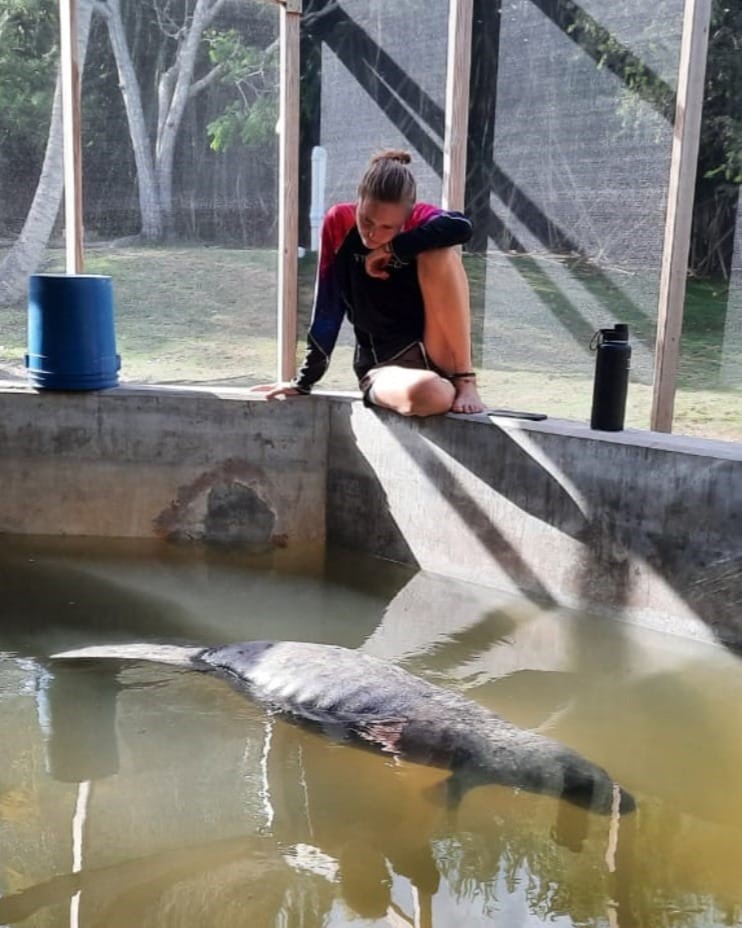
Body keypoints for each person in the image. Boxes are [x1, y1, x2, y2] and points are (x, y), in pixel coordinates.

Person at [253, 149, 486, 416]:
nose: (373, 234)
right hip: (385, 367)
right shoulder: (339, 221)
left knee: (440, 253)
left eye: (388, 227)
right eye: (366, 220)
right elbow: (328, 305)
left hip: (439, 353)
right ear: (359, 200)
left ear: (406, 217)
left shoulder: (418, 219)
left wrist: (393, 249)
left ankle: (465, 381)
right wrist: (305, 380)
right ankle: (444, 390)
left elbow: (462, 227)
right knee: (432, 393)